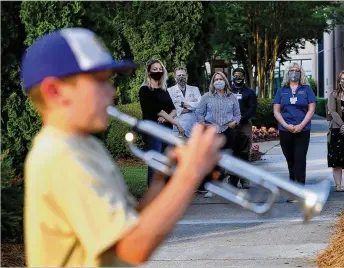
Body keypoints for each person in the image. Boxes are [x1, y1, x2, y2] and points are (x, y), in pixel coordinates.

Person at [21, 27, 224, 267]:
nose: (112, 92)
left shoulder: (83, 146)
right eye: (100, 82)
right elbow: (132, 248)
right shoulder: (59, 156)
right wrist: (189, 175)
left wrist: (165, 176)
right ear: (55, 92)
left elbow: (131, 222)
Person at [273, 62, 316, 202]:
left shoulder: (307, 89)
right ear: (287, 73)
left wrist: (301, 125)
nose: (294, 72)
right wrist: (286, 125)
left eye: (296, 70)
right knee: (290, 159)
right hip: (285, 130)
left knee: (300, 159)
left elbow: (311, 109)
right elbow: (276, 111)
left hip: (303, 130)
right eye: (291, 70)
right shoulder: (281, 90)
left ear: (301, 73)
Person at [138, 59, 185, 186]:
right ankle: (153, 193)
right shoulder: (145, 90)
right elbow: (157, 111)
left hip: (166, 130)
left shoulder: (164, 90)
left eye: (160, 69)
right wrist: (178, 124)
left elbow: (173, 110)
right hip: (153, 130)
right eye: (155, 69)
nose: (158, 71)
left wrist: (166, 118)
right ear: (148, 72)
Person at [195, 72, 241, 197]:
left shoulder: (231, 97)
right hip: (212, 132)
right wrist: (205, 124)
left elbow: (237, 114)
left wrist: (235, 122)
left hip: (228, 130)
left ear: (225, 81)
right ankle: (212, 187)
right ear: (213, 82)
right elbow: (199, 113)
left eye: (221, 79)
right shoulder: (207, 96)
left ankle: (221, 185)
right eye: (216, 79)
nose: (219, 81)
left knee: (225, 159)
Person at [227, 68, 257, 189]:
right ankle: (232, 179)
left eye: (240, 75)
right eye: (235, 75)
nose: (237, 78)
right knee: (233, 152)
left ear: (244, 77)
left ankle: (245, 180)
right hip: (231, 125)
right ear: (232, 77)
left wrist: (240, 119)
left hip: (244, 125)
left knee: (244, 153)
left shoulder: (249, 92)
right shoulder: (228, 92)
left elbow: (252, 109)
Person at [167, 66, 202, 137]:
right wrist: (192, 106)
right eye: (179, 75)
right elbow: (171, 108)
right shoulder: (170, 91)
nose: (181, 77)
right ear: (175, 77)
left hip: (192, 127)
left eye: (183, 75)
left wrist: (183, 105)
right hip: (178, 127)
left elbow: (200, 105)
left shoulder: (195, 89)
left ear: (187, 76)